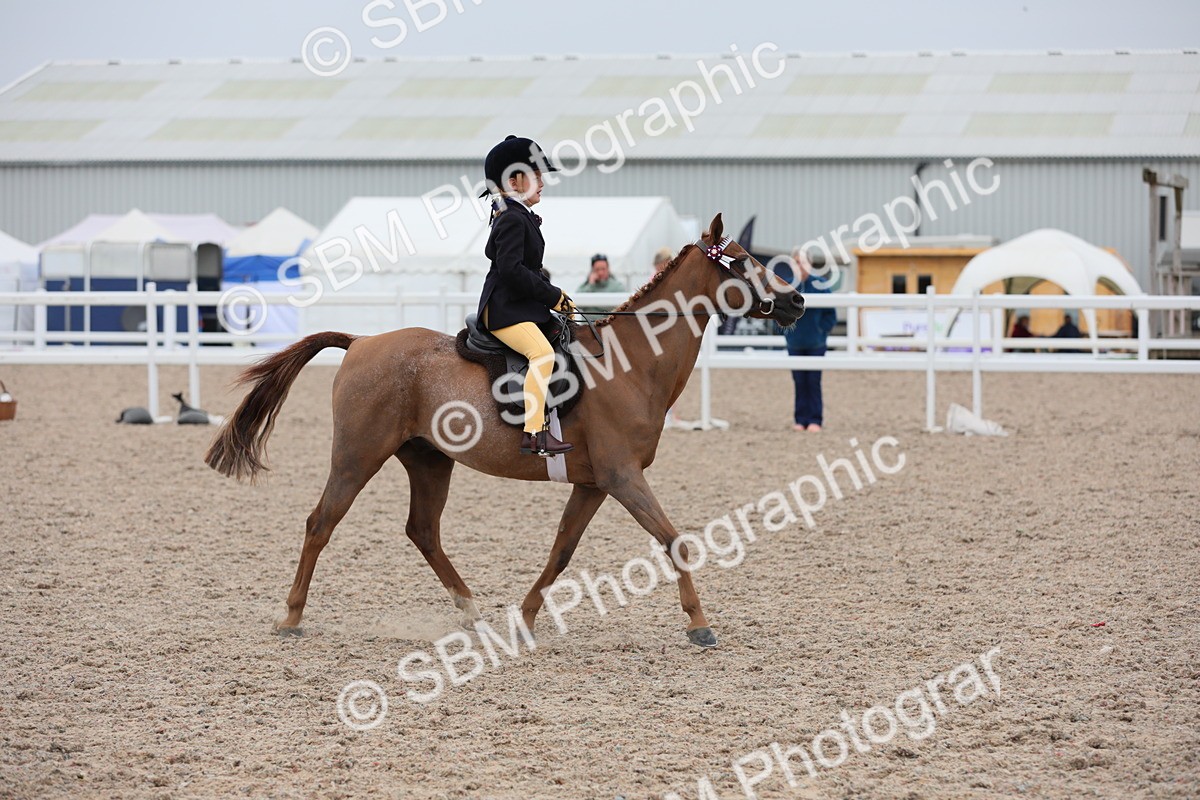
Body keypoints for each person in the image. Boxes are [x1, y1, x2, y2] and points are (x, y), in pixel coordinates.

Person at [476, 135, 577, 456]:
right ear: (515, 180)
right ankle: (535, 432)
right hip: (505, 310)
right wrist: (553, 296)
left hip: (518, 306)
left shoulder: (512, 213)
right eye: (536, 174)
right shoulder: (512, 217)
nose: (543, 182)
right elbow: (511, 271)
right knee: (542, 355)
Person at [777, 248, 836, 432]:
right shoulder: (787, 285)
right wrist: (786, 333)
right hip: (794, 342)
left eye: (802, 262)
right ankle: (800, 419)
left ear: (810, 264)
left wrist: (821, 331)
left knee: (813, 381)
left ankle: (815, 420)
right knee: (798, 381)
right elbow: (778, 312)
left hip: (816, 343)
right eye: (796, 262)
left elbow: (830, 314)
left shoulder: (820, 284)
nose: (800, 266)